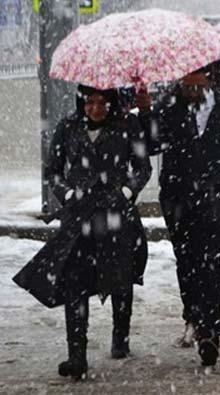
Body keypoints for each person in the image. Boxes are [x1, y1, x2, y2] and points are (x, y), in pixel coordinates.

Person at [14, 85, 151, 379]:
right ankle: (77, 355)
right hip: (79, 217)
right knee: (74, 281)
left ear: (112, 103)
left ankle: (120, 336)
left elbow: (143, 167)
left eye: (102, 102)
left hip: (117, 215)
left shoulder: (128, 125)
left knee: (120, 277)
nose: (96, 108)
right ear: (81, 102)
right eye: (90, 102)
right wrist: (65, 195)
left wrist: (126, 191)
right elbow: (53, 170)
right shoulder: (68, 127)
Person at [137, 67, 220, 368]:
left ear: (208, 78)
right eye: (186, 77)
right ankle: (193, 313)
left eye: (197, 77)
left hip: (213, 195)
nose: (190, 83)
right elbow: (152, 146)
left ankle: (209, 329)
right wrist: (147, 112)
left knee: (210, 260)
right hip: (177, 196)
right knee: (186, 260)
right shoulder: (167, 104)